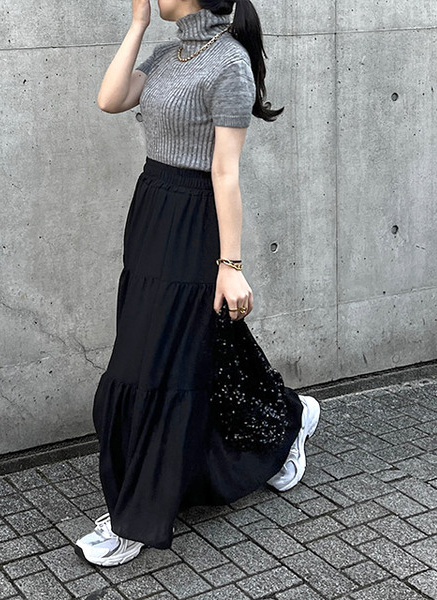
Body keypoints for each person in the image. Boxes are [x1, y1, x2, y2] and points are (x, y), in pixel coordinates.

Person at [74, 0, 320, 567]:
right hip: (151, 212)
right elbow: (110, 99)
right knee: (201, 348)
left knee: (158, 365)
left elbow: (226, 172)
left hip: (194, 221)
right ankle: (288, 418)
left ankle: (135, 515)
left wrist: (229, 265)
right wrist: (137, 25)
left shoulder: (229, 64)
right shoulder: (168, 54)